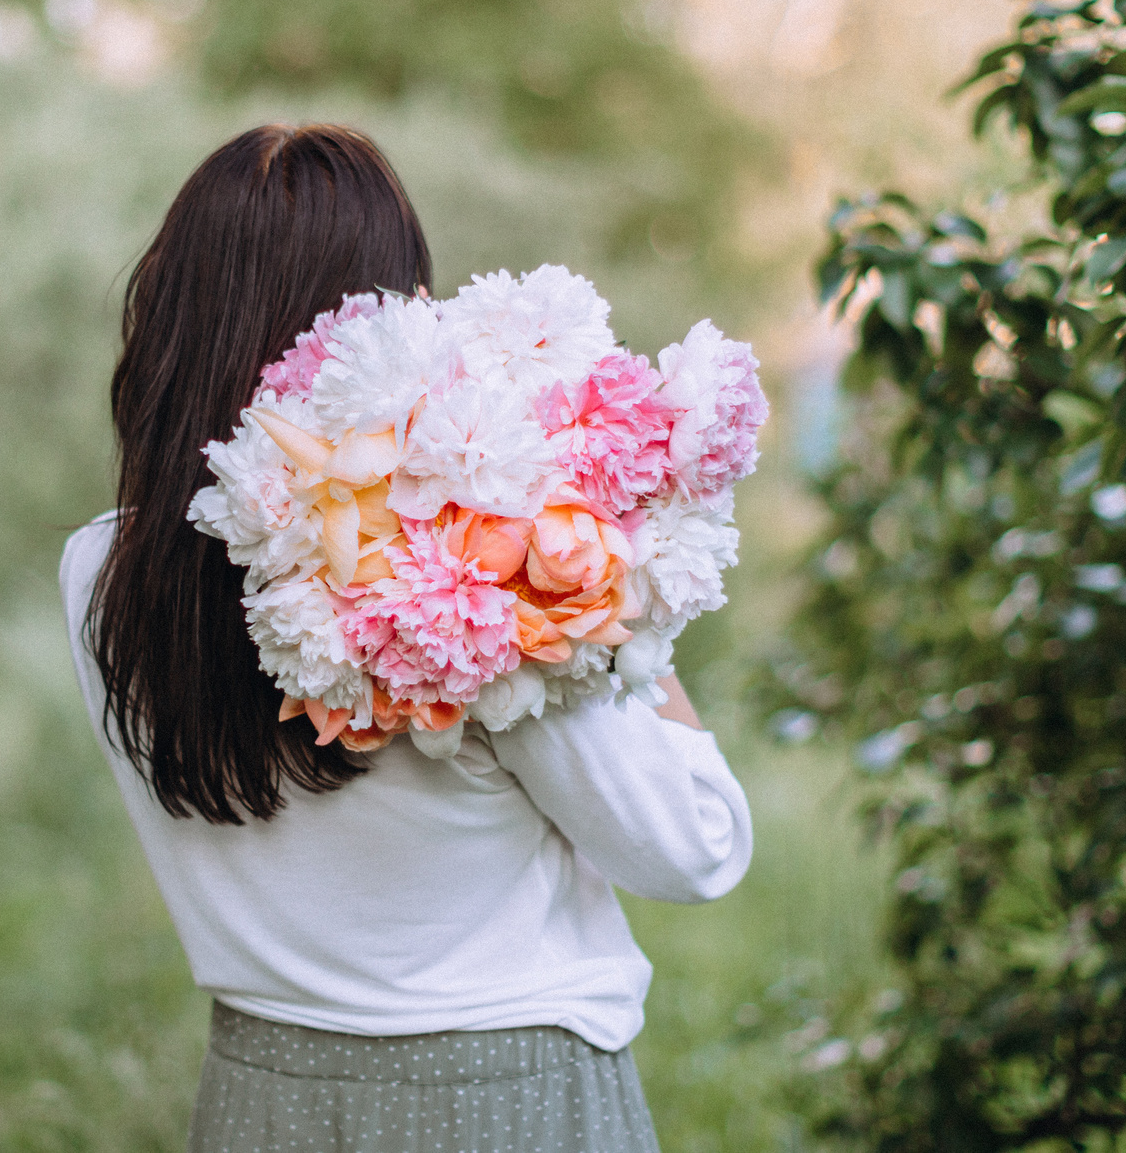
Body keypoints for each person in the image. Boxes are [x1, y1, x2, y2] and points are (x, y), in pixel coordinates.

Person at [58, 122, 753, 1153]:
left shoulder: (104, 574)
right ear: (378, 322)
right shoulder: (465, 572)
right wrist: (613, 586)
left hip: (259, 1099)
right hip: (502, 1099)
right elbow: (696, 846)